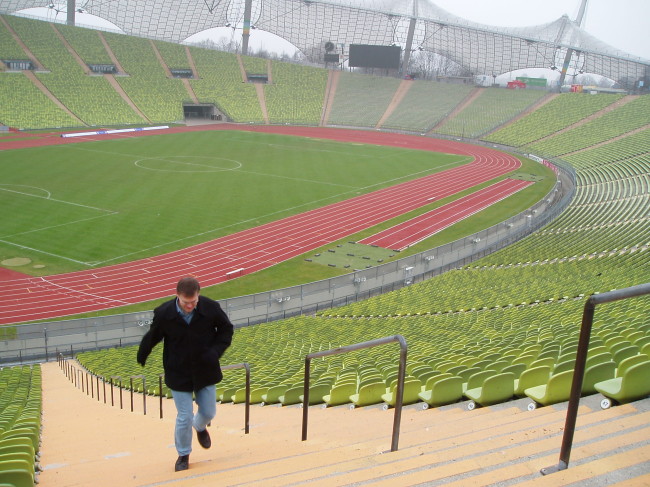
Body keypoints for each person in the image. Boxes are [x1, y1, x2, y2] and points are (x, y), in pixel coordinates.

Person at [137, 276, 234, 472]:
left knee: (208, 412)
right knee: (184, 416)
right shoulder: (164, 313)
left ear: (199, 295)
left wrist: (215, 352)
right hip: (178, 370)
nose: (190, 306)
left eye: (194, 302)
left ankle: (200, 427)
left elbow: (226, 330)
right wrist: (143, 352)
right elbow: (154, 335)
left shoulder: (211, 308)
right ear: (177, 296)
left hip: (205, 368)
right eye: (185, 302)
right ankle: (183, 454)